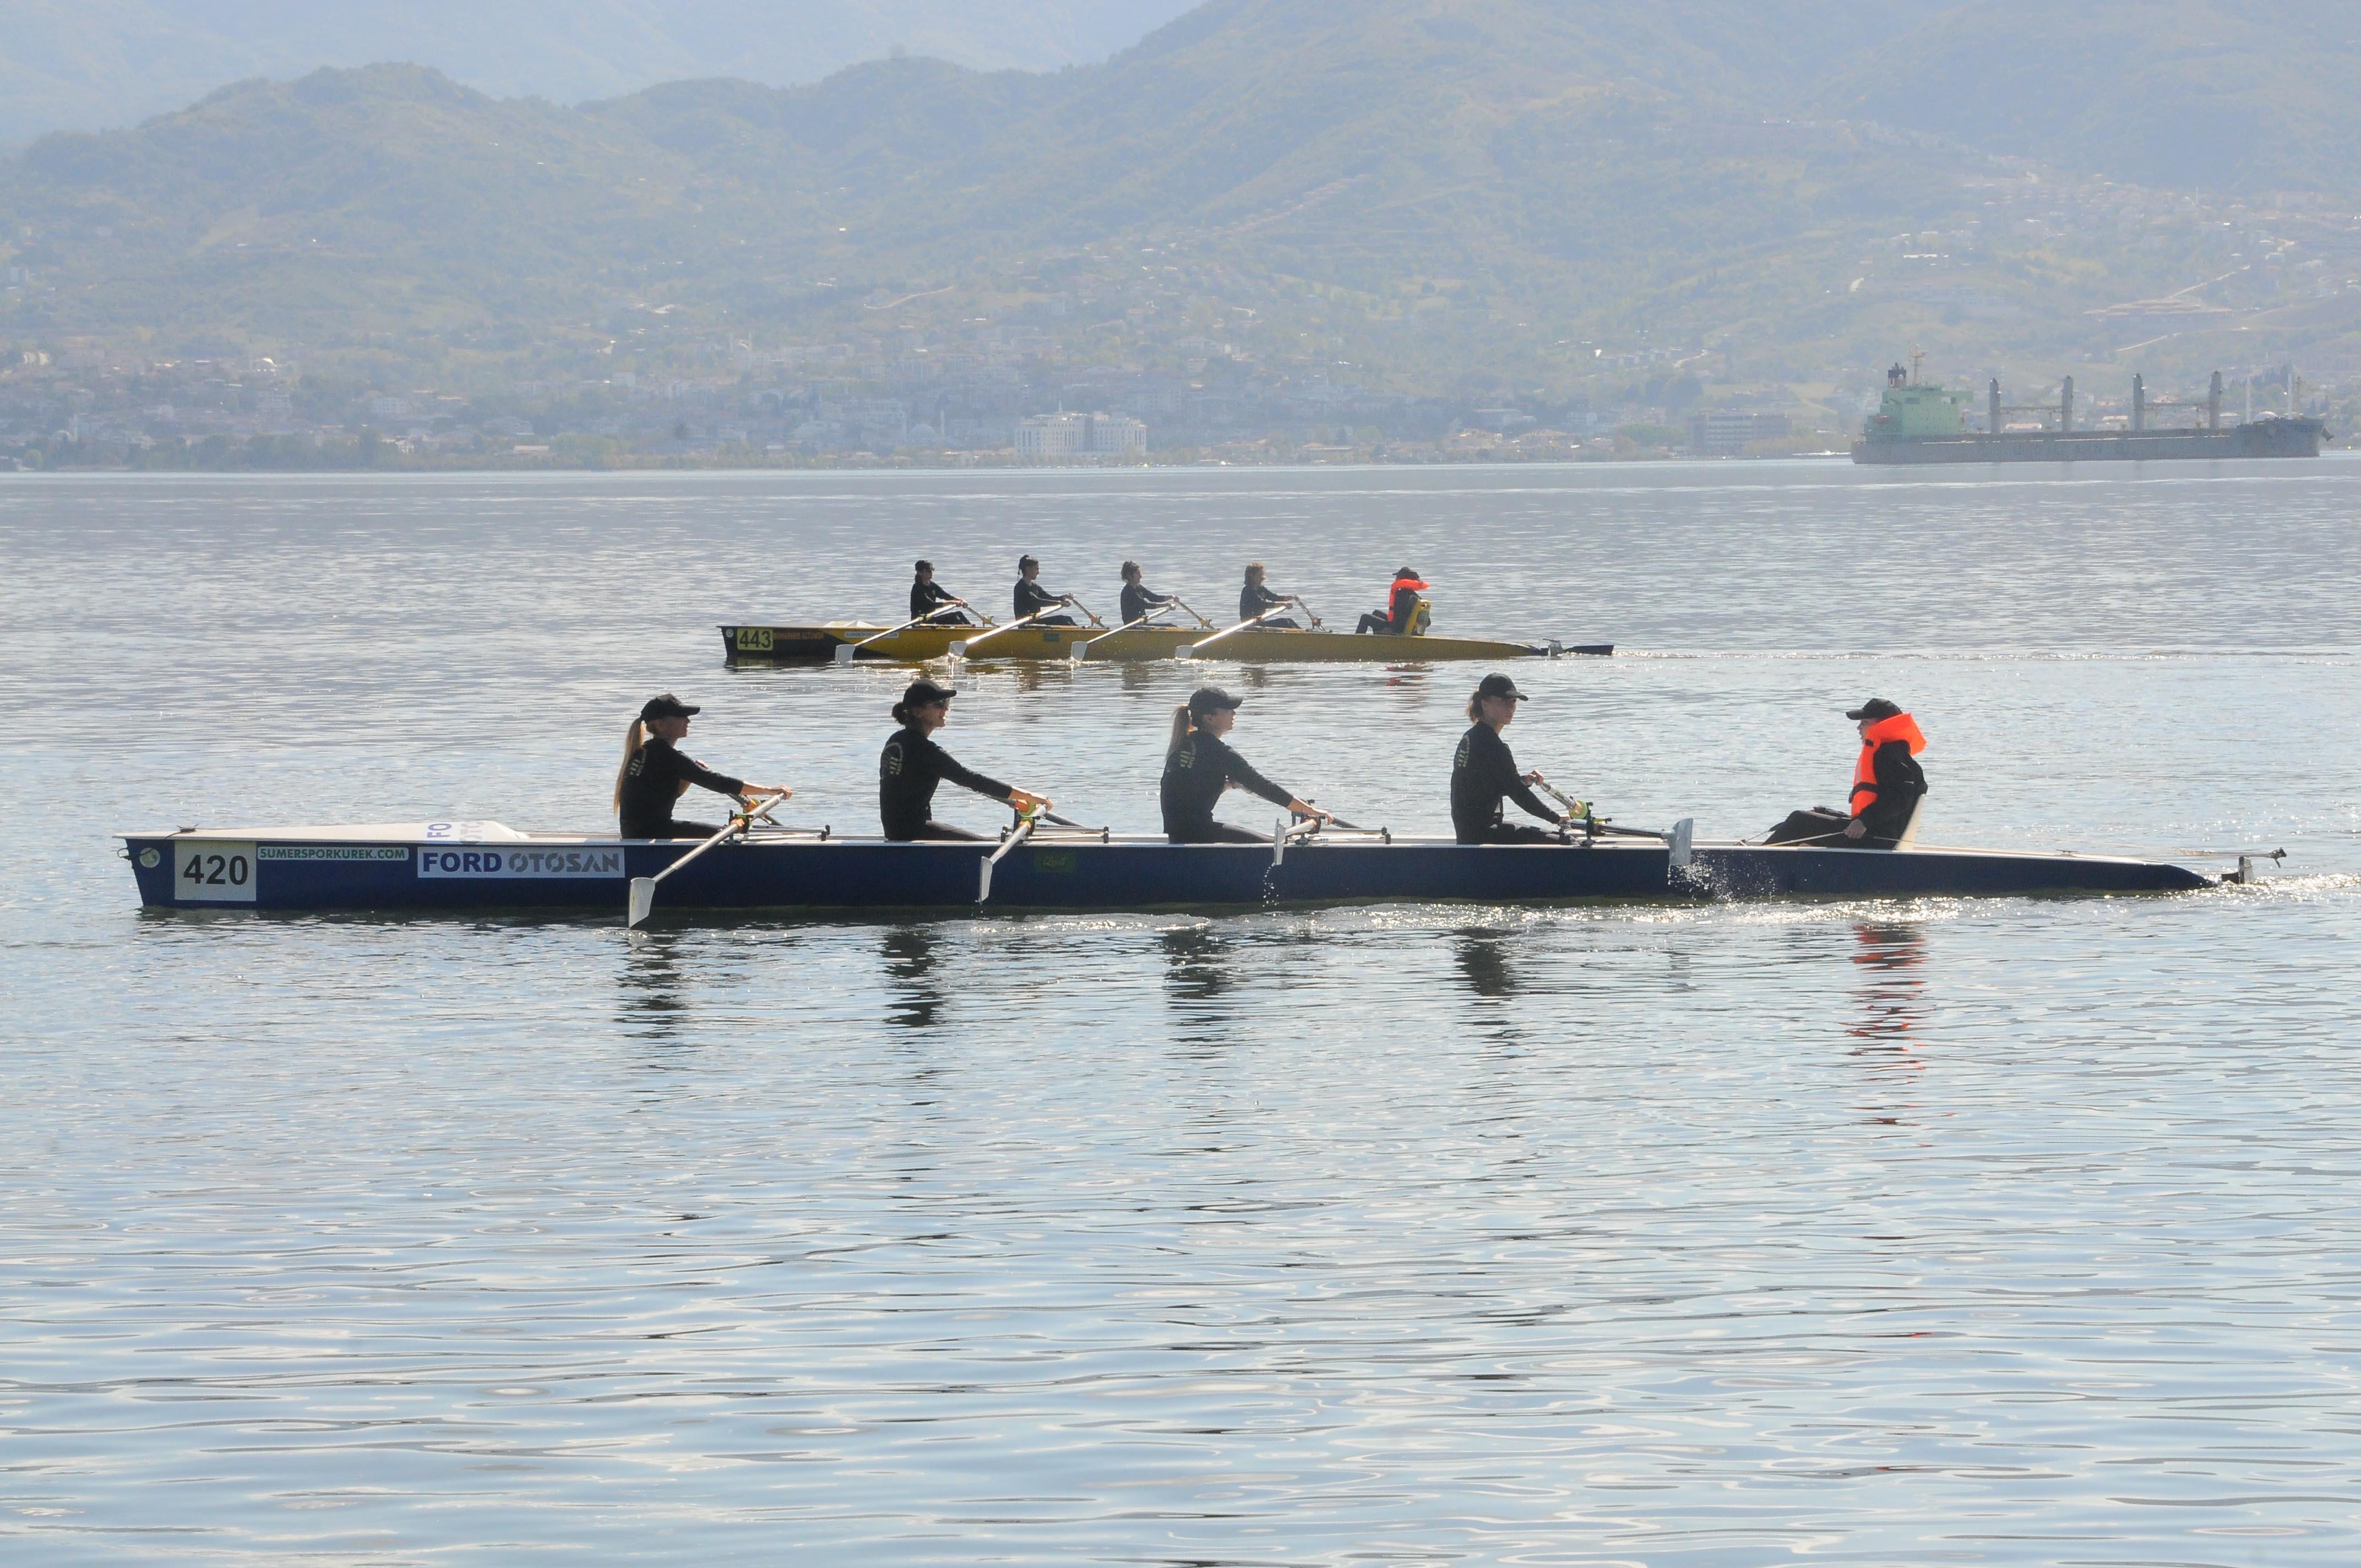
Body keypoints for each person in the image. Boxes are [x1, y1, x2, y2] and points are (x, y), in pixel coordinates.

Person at [879, 678, 1053, 841]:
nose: (946, 709)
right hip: (911, 833)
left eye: (947, 704)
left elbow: (907, 792)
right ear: (918, 712)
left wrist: (1014, 800)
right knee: (988, 846)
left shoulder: (896, 741)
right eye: (939, 704)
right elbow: (972, 780)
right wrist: (1029, 796)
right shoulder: (925, 751)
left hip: (898, 832)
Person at [1161, 686, 1330, 844]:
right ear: (1210, 718)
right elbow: (1264, 787)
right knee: (1276, 845)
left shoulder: (1184, 745)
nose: (1234, 713)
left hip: (1178, 836)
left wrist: (1223, 785)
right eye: (1228, 709)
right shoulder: (1220, 753)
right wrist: (1312, 811)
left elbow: (1187, 792)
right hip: (1200, 835)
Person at [614, 694, 788, 839]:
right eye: (680, 716)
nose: (688, 721)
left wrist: (687, 778)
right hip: (652, 834)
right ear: (660, 724)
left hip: (638, 833)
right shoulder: (668, 757)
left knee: (722, 833)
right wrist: (769, 790)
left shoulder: (643, 753)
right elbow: (719, 784)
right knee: (726, 836)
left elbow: (662, 798)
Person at [1764, 698, 1929, 849]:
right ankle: (1766, 857)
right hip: (1874, 834)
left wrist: (1864, 821)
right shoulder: (1892, 753)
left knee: (1800, 820)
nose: (1859, 728)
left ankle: (1754, 864)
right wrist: (1824, 813)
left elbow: (1900, 798)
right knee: (1811, 816)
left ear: (1882, 725)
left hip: (1875, 841)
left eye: (1864, 723)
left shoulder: (1889, 755)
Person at [1450, 673, 1576, 845]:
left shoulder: (1471, 738)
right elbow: (1519, 795)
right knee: (1566, 842)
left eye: (1514, 702)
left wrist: (1523, 780)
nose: (1511, 708)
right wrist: (1556, 818)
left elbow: (1486, 785)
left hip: (1471, 833)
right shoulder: (1492, 746)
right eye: (1504, 701)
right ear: (1485, 704)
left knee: (1546, 835)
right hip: (1482, 837)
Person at [1356, 566, 1429, 635]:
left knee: (1365, 618)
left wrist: (1390, 629)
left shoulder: (1401, 595)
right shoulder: (1416, 597)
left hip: (1397, 629)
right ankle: (1380, 640)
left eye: (1397, 577)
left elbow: (1400, 618)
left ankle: (1356, 643)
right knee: (1376, 613)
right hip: (1402, 627)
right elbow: (1428, 622)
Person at [1013, 554, 1079, 626]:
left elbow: (1048, 598)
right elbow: (1036, 602)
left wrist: (1062, 598)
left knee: (1068, 619)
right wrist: (1059, 603)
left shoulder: (1035, 587)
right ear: (1028, 569)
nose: (1038, 572)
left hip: (1035, 623)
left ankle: (1083, 632)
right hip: (1026, 625)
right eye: (1036, 569)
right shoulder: (1021, 587)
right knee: (1062, 620)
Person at [1239, 562, 1305, 629]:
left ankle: (1306, 635)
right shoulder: (1247, 591)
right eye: (1260, 576)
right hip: (1251, 625)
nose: (1262, 579)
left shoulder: (1261, 589)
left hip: (1260, 622)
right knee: (1285, 622)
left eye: (1263, 576)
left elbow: (1273, 597)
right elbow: (1262, 604)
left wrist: (1290, 598)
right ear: (1252, 576)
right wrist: (1283, 604)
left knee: (1289, 621)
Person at [909, 559, 976, 626]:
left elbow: (946, 596)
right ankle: (967, 633)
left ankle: (974, 631)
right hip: (920, 623)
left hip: (930, 619)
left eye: (932, 570)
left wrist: (961, 600)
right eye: (928, 570)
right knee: (954, 617)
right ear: (920, 573)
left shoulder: (933, 586)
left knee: (959, 614)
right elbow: (930, 605)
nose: (931, 572)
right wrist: (952, 603)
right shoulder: (917, 588)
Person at [1119, 560, 1178, 624]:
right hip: (1132, 626)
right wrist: (1166, 605)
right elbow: (1145, 605)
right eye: (1138, 574)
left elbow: (1153, 597)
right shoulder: (1128, 592)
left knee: (1170, 626)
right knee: (1169, 626)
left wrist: (1171, 597)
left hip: (1141, 624)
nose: (1141, 576)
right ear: (1130, 576)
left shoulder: (1139, 587)